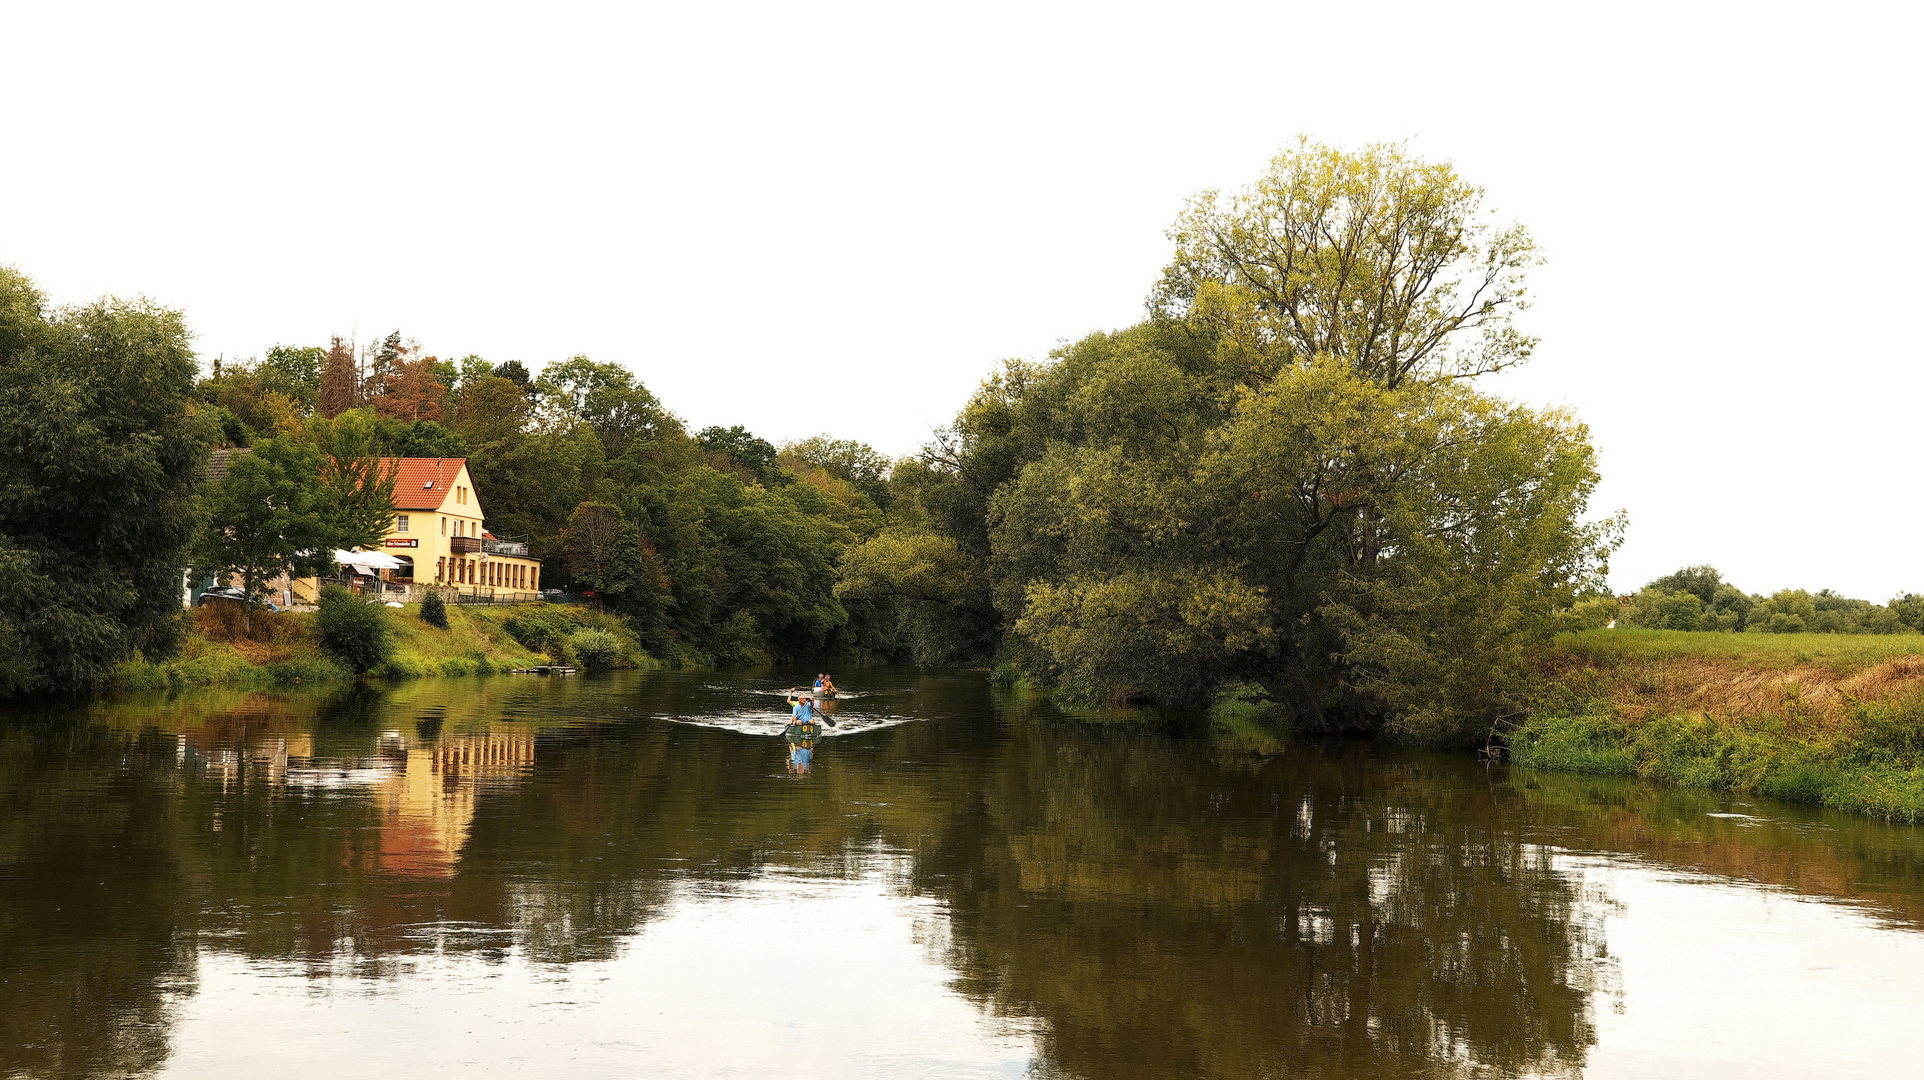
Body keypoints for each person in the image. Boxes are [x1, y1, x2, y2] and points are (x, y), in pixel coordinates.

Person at [784, 692, 822, 773]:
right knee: (799, 722)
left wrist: (812, 701)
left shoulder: (808, 705)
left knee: (812, 721)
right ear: (799, 700)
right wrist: (792, 721)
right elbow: (793, 752)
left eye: (805, 698)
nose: (804, 700)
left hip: (808, 722)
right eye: (803, 699)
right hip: (800, 723)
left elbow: (812, 707)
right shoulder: (797, 707)